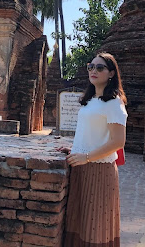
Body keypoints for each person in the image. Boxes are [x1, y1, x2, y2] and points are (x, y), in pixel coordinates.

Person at [58, 52, 128, 247]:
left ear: (111, 73)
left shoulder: (114, 102)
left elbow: (118, 141)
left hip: (99, 170)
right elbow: (89, 132)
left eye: (100, 68)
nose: (93, 71)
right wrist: (73, 149)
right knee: (79, 221)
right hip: (81, 166)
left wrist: (86, 157)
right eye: (91, 67)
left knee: (96, 224)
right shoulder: (89, 100)